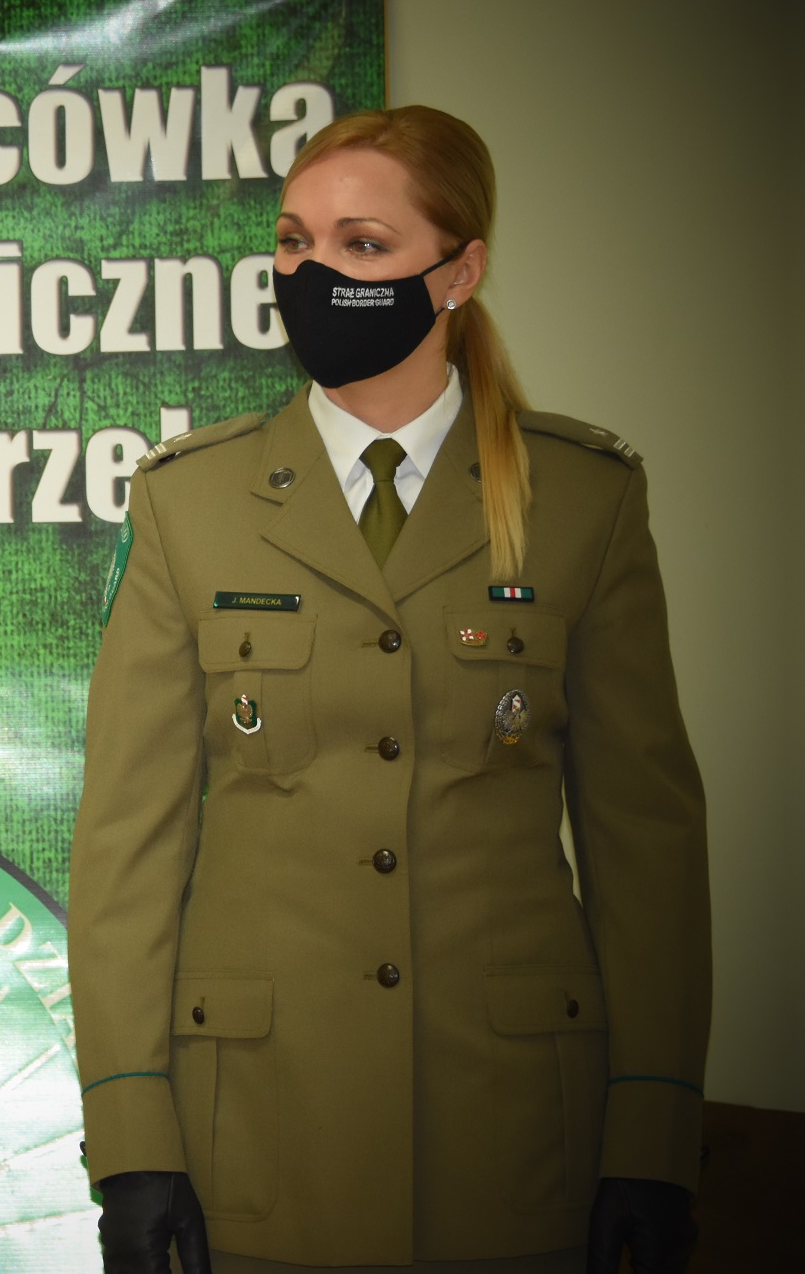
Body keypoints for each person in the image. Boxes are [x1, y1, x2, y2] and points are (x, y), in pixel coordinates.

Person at [69, 107, 708, 1274]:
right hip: (256, 1136)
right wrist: (129, 1138)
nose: (313, 273)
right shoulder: (186, 501)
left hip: (514, 1139)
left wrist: (652, 1132)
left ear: (457, 272)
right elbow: (126, 846)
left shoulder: (581, 499)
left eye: (361, 245)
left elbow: (644, 845)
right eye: (293, 242)